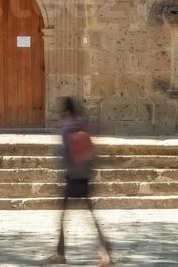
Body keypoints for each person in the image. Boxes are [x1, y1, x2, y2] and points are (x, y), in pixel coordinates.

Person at [45, 97, 113, 266]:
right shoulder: (83, 124)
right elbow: (93, 150)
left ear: (66, 111)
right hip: (85, 177)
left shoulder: (67, 127)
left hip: (72, 178)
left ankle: (61, 254)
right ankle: (106, 253)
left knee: (62, 218)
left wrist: (61, 170)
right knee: (92, 218)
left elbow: (64, 154)